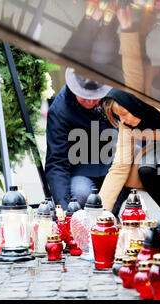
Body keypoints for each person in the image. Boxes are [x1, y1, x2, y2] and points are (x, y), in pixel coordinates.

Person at [45, 68, 127, 214]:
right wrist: (64, 211)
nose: (90, 101)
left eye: (95, 97)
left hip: (117, 165)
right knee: (80, 193)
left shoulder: (116, 96)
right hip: (81, 171)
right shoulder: (59, 110)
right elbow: (57, 162)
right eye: (84, 96)